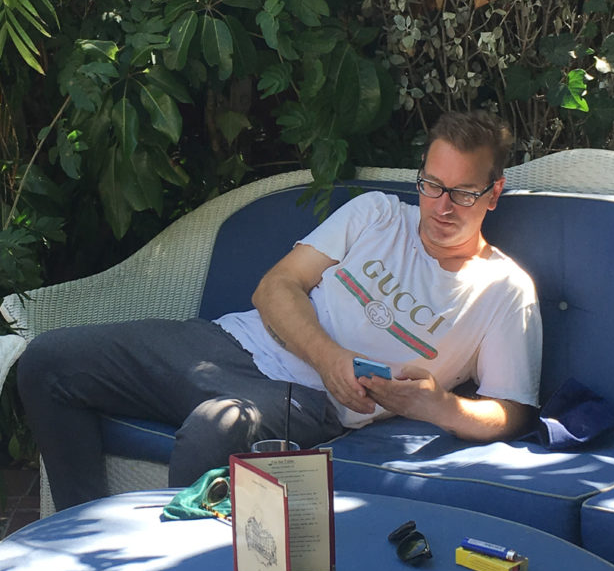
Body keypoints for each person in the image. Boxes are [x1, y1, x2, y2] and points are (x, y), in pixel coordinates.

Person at [18, 110, 542, 511]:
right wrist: (330, 356)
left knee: (214, 428)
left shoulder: (505, 291)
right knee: (48, 361)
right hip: (225, 345)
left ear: (493, 194)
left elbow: (512, 410)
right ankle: (81, 530)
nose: (441, 206)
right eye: (431, 185)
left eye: (463, 193)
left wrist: (438, 407)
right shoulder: (377, 213)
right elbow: (275, 288)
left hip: (309, 401)